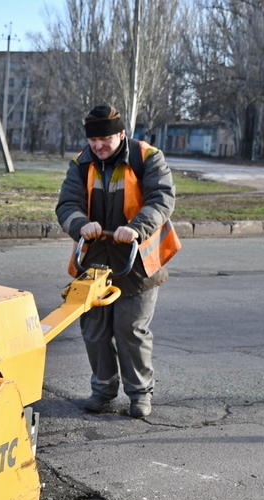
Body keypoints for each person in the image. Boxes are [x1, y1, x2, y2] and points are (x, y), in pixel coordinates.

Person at [55, 104, 180, 418]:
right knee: (94, 330)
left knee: (130, 330)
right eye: (93, 140)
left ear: (122, 134)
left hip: (137, 265)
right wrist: (79, 223)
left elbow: (162, 198)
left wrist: (135, 229)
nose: (98, 146)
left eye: (105, 139)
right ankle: (103, 391)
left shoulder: (148, 157)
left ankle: (139, 395)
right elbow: (67, 203)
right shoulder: (81, 163)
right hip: (93, 263)